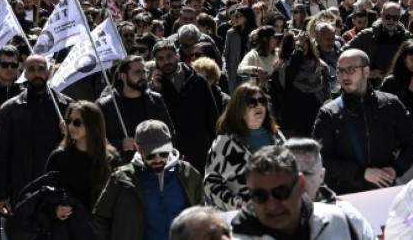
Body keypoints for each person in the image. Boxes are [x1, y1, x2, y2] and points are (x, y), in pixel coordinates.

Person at [311, 48, 413, 194]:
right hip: (346, 196)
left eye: (350, 70)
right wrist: (362, 173)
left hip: (384, 191)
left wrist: (395, 169)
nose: (344, 76)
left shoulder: (391, 104)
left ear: (366, 72)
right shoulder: (328, 112)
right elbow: (320, 160)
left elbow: (412, 145)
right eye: (340, 71)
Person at [93, 120, 205, 240]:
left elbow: (201, 216)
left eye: (163, 153)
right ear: (137, 147)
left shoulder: (189, 174)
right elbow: (100, 219)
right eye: (150, 155)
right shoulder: (121, 179)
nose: (158, 160)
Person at [0, 55, 73, 218]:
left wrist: (70, 134)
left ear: (49, 72)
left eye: (41, 69)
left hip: (58, 189)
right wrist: (1, 194)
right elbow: (3, 155)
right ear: (24, 72)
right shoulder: (10, 109)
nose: (37, 74)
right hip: (23, 188)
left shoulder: (66, 106)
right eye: (31, 69)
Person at [229, 146, 355, 240]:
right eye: (260, 196)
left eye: (281, 192)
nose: (272, 205)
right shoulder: (235, 237)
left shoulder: (338, 220)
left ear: (301, 184)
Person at [204, 84, 286, 210]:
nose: (259, 106)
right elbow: (211, 183)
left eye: (263, 101)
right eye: (252, 102)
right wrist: (235, 204)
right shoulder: (224, 142)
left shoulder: (277, 136)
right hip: (240, 218)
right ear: (239, 109)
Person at [281, 138, 376, 240]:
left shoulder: (347, 215)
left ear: (321, 176)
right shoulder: (269, 217)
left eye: (306, 174)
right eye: (291, 173)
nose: (298, 181)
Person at [149, 40, 217, 175]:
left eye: (169, 56)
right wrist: (155, 90)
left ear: (177, 56)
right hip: (168, 152)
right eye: (161, 59)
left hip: (198, 150)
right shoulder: (154, 88)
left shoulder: (198, 81)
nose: (166, 62)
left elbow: (212, 117)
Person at [45, 102, 118, 222]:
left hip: (100, 229)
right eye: (69, 121)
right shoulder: (59, 157)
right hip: (70, 228)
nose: (71, 126)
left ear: (92, 125)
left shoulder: (111, 158)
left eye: (77, 122)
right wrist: (55, 209)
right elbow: (46, 194)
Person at [98, 57, 174, 163]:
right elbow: (96, 140)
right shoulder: (106, 105)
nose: (143, 76)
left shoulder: (156, 99)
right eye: (137, 72)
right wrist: (120, 144)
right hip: (122, 167)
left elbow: (169, 132)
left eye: (145, 72)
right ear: (123, 76)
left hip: (154, 164)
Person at [344, 3, 413, 80]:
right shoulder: (367, 35)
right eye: (388, 17)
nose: (391, 20)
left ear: (399, 17)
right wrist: (363, 72)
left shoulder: (407, 37)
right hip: (373, 85)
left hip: (398, 84)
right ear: (382, 15)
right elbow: (344, 53)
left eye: (395, 17)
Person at [223, 6, 256, 91]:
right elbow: (226, 53)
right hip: (234, 73)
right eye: (234, 15)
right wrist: (228, 70)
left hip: (250, 73)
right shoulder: (231, 33)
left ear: (246, 17)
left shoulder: (255, 33)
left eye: (238, 16)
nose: (235, 18)